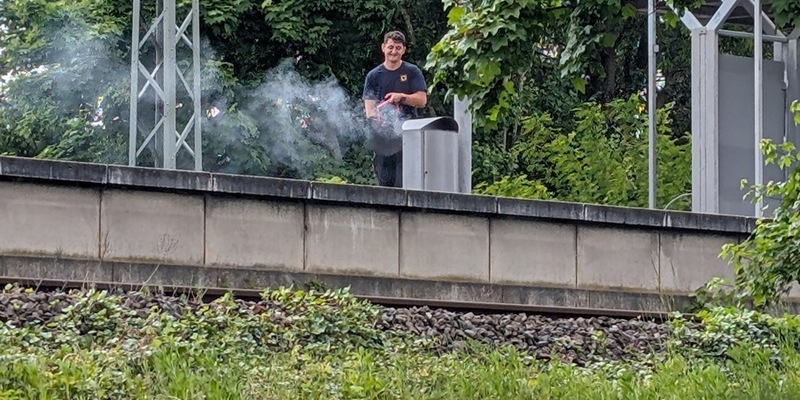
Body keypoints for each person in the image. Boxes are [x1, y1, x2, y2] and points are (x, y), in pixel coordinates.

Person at [362, 30, 428, 187]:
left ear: (404, 50)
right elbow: (369, 110)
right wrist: (381, 116)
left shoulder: (412, 72)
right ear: (383, 47)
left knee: (406, 182)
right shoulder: (373, 76)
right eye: (390, 47)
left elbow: (422, 100)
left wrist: (402, 97)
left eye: (398, 48)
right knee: (385, 184)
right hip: (383, 139)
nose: (394, 51)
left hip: (408, 136)